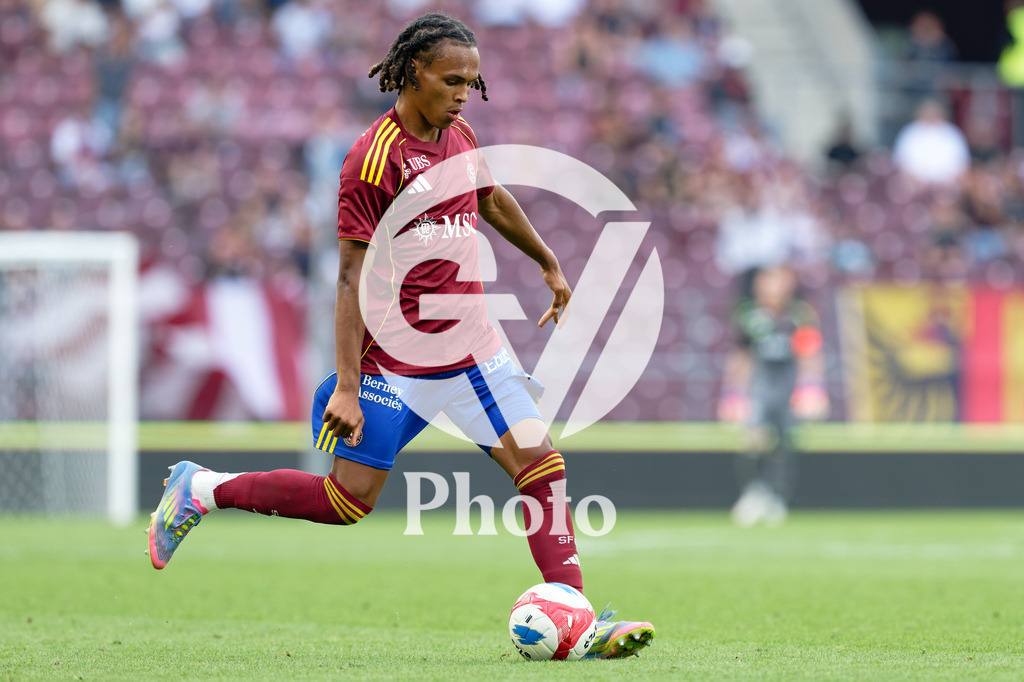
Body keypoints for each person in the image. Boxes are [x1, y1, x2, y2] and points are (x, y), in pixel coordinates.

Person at [147, 12, 654, 659]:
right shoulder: (372, 160)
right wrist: (350, 388)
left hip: (472, 351)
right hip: (395, 362)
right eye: (452, 81)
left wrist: (546, 259)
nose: (464, 94)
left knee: (542, 468)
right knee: (346, 502)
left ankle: (577, 617)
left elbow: (491, 197)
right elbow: (349, 277)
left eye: (471, 82)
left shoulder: (459, 134)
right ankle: (201, 489)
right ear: (414, 73)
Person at [717, 264, 828, 527]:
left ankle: (777, 497)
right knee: (753, 440)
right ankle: (754, 492)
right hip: (760, 387)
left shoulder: (799, 317)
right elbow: (742, 357)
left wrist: (811, 388)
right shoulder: (750, 317)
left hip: (787, 387)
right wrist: (732, 393)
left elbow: (810, 355)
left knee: (783, 445)